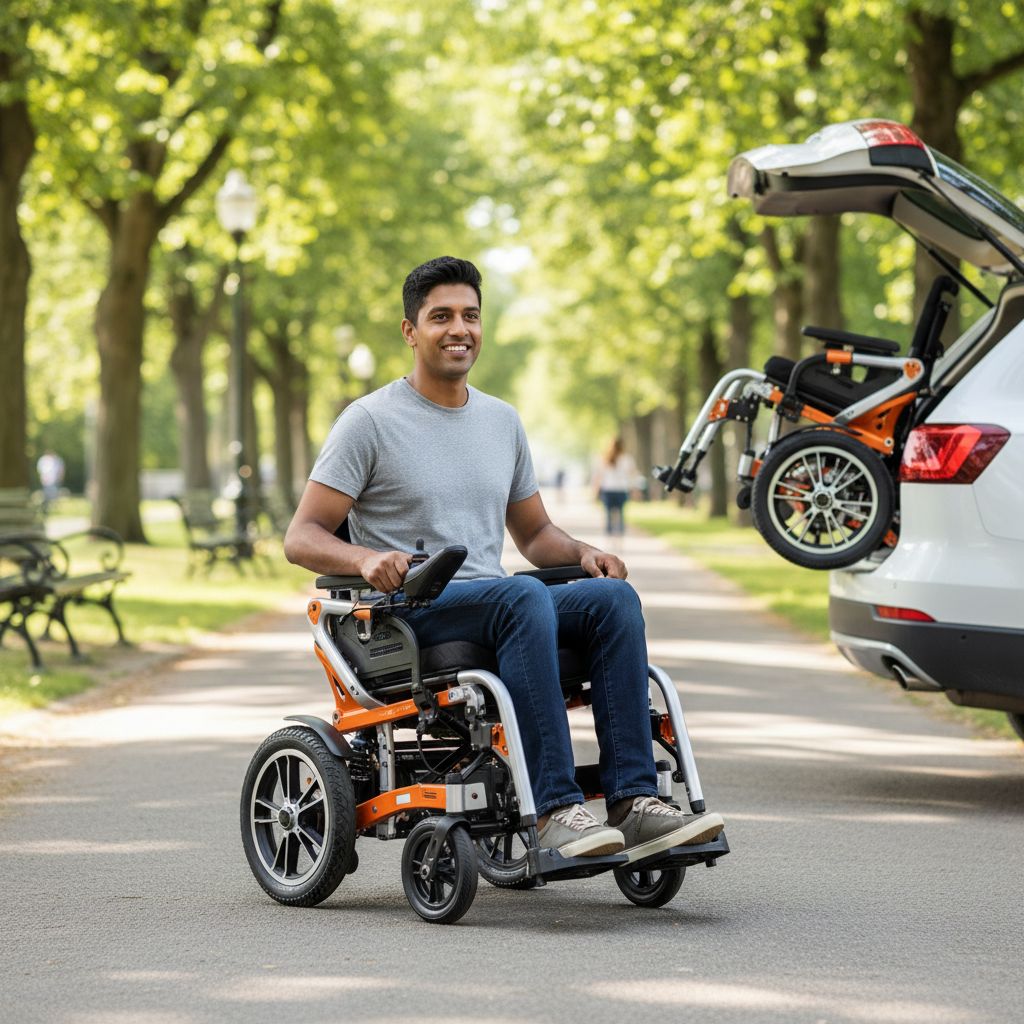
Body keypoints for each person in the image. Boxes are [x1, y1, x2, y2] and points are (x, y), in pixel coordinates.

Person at [284, 256, 724, 860]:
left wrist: (584, 552)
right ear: (410, 331)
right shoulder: (369, 423)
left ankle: (634, 801)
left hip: (497, 605)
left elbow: (535, 532)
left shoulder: (501, 421)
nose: (458, 329)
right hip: (409, 612)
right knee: (522, 596)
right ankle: (554, 811)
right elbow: (301, 535)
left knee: (611, 600)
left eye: (470, 315)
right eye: (441, 317)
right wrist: (363, 559)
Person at [593, 436, 637, 536]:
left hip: (608, 490)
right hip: (621, 490)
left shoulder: (604, 458)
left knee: (608, 515)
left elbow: (598, 476)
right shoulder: (627, 458)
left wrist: (595, 491)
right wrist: (634, 489)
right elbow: (633, 475)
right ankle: (620, 535)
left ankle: (609, 536)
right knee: (620, 514)